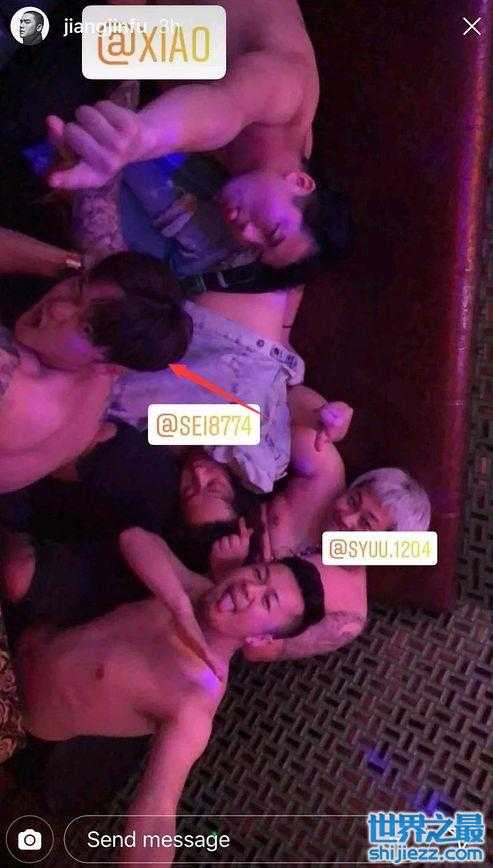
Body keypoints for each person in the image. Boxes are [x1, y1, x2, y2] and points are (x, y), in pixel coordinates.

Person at [6, 530, 326, 866]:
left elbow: (158, 810)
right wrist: (181, 608)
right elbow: (134, 539)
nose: (250, 588)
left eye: (267, 601)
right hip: (18, 631)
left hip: (12, 709)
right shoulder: (196, 591)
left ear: (260, 639)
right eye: (259, 575)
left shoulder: (194, 701)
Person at [46, 0, 343, 279]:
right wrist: (144, 135)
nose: (246, 233)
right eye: (273, 232)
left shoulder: (249, 173)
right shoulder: (289, 94)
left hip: (163, 32)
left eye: (256, 248)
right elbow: (223, 107)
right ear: (300, 182)